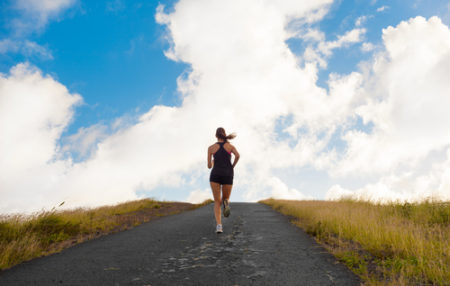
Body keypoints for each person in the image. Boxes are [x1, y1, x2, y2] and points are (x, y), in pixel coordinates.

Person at [207, 127, 240, 233]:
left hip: (215, 174)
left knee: (217, 201)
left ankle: (219, 226)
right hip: (228, 174)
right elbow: (238, 155)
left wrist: (213, 162)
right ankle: (226, 203)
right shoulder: (230, 146)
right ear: (224, 135)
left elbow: (209, 166)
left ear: (216, 136)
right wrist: (232, 166)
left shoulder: (211, 148)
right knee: (225, 199)